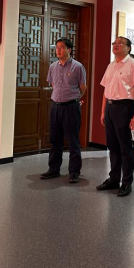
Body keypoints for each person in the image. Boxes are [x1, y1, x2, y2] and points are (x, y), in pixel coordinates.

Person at [98, 37, 134, 198]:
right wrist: (103, 111)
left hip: (125, 107)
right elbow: (106, 90)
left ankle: (127, 182)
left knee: (125, 147)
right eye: (114, 43)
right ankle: (114, 178)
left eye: (119, 43)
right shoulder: (111, 65)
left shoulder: (133, 64)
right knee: (113, 146)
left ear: (128, 48)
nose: (115, 45)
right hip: (110, 107)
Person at [40, 38, 87, 184]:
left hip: (71, 107)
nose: (58, 50)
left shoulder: (77, 67)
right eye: (57, 47)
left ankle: (74, 172)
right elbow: (53, 84)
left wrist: (74, 99)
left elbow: (82, 87)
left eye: (62, 47)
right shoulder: (53, 66)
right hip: (56, 107)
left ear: (69, 50)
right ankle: (54, 169)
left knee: (73, 141)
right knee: (55, 140)